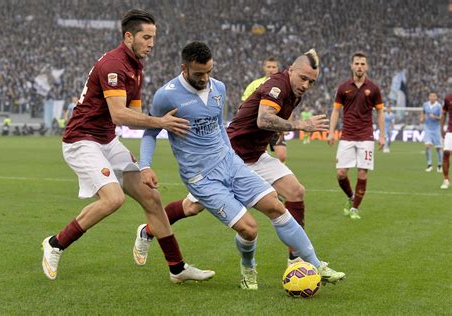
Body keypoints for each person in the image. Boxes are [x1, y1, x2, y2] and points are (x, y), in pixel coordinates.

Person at [137, 42, 345, 290]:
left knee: (281, 203)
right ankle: (151, 231)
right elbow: (150, 132)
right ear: (184, 68)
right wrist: (145, 166)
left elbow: (218, 127)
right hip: (203, 174)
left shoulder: (219, 88)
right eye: (198, 74)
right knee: (225, 219)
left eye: (209, 72)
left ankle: (312, 264)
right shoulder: (167, 95)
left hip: (235, 160)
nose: (205, 79)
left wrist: (233, 155)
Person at [41, 9, 214, 283]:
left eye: (153, 37)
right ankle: (55, 243)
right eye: (146, 37)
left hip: (107, 140)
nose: (151, 43)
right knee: (113, 199)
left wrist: (143, 162)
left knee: (152, 198)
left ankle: (177, 268)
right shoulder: (114, 64)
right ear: (129, 36)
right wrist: (160, 122)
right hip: (81, 140)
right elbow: (119, 114)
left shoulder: (136, 66)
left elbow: (134, 116)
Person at [327, 51, 385, 220]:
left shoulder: (373, 88)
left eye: (362, 64)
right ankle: (351, 196)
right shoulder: (343, 88)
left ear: (366, 66)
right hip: (347, 136)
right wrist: (331, 132)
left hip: (366, 136)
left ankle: (355, 209)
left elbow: (380, 113)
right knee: (341, 173)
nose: (359, 66)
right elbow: (336, 110)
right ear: (352, 66)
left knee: (362, 174)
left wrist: (382, 135)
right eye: (357, 63)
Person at [241, 57, 288, 163]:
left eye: (273, 67)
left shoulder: (284, 85)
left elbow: (288, 107)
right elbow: (244, 105)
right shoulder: (254, 84)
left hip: (275, 126)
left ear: (277, 69)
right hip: (257, 126)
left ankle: (277, 174)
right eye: (268, 66)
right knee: (259, 156)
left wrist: (285, 124)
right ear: (264, 68)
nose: (271, 69)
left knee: (282, 155)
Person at [420, 92, 443, 172]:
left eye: (434, 96)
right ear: (429, 97)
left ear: (436, 97)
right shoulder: (425, 104)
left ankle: (440, 165)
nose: (432, 97)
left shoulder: (439, 106)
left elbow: (441, 117)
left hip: (436, 128)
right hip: (427, 128)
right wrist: (422, 118)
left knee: (438, 148)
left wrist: (435, 117)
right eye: (430, 96)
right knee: (427, 146)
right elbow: (423, 112)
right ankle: (429, 164)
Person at [440, 93, 452, 189]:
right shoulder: (448, 97)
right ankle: (446, 180)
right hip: (450, 131)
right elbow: (444, 113)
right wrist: (441, 128)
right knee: (446, 154)